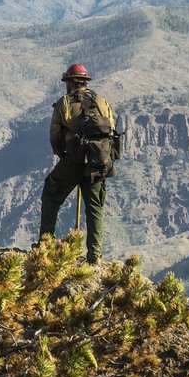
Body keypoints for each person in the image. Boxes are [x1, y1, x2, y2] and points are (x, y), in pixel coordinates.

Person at [38, 63, 116, 263]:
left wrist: (63, 155)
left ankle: (44, 247)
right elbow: (112, 131)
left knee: (51, 195)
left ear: (70, 82)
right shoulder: (101, 101)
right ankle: (95, 256)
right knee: (95, 207)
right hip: (98, 162)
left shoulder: (64, 103)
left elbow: (55, 136)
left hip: (73, 161)